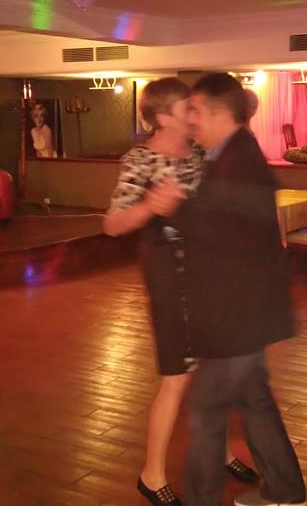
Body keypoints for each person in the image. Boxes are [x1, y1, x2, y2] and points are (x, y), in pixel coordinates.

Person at [102, 78, 258, 506]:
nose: (193, 114)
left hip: (210, 275)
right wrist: (149, 206)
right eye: (185, 108)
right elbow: (112, 224)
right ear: (161, 116)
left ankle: (220, 448)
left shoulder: (201, 153)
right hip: (171, 278)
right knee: (176, 377)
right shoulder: (140, 160)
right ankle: (151, 475)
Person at [153, 73, 306, 506]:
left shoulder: (240, 160)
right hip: (245, 313)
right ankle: (286, 491)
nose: (191, 119)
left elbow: (232, 233)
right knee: (254, 401)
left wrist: (175, 209)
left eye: (196, 110)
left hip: (235, 316)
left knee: (206, 412)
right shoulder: (232, 154)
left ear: (218, 111)